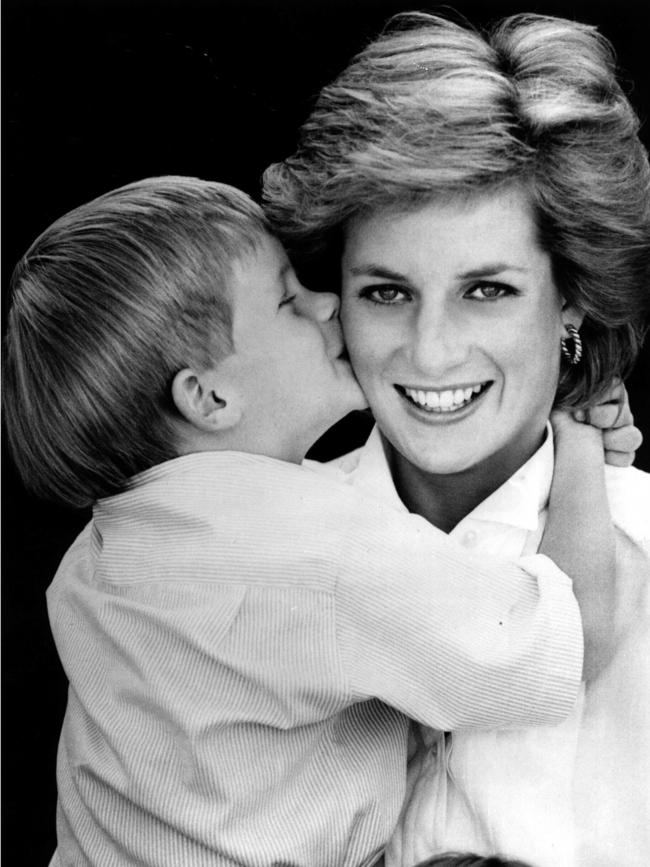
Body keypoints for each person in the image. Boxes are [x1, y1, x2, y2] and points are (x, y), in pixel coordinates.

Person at [5, 175, 635, 867]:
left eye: (485, 290)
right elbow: (573, 634)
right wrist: (576, 433)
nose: (326, 301)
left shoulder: (93, 561)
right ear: (208, 396)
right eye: (287, 300)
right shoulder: (309, 548)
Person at [263, 11, 650, 867]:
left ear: (574, 302)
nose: (430, 351)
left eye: (487, 290)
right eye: (388, 293)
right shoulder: (247, 557)